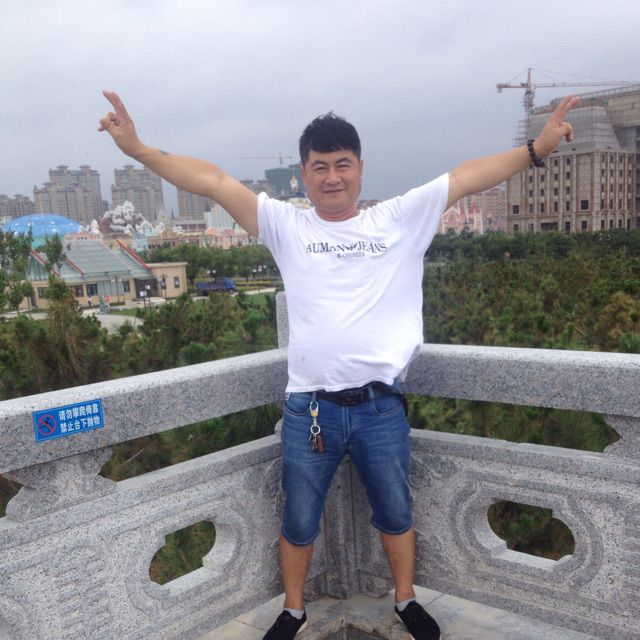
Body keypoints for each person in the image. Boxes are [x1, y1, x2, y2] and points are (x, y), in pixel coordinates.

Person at [99, 91, 578, 640]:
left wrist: (537, 150)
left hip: (380, 407)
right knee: (300, 518)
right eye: (320, 167)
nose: (332, 177)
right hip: (311, 410)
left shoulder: (399, 218)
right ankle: (294, 610)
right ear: (304, 175)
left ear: (360, 168)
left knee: (395, 512)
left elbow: (467, 177)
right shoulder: (288, 226)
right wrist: (138, 150)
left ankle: (405, 599)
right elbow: (213, 181)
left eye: (342, 164)